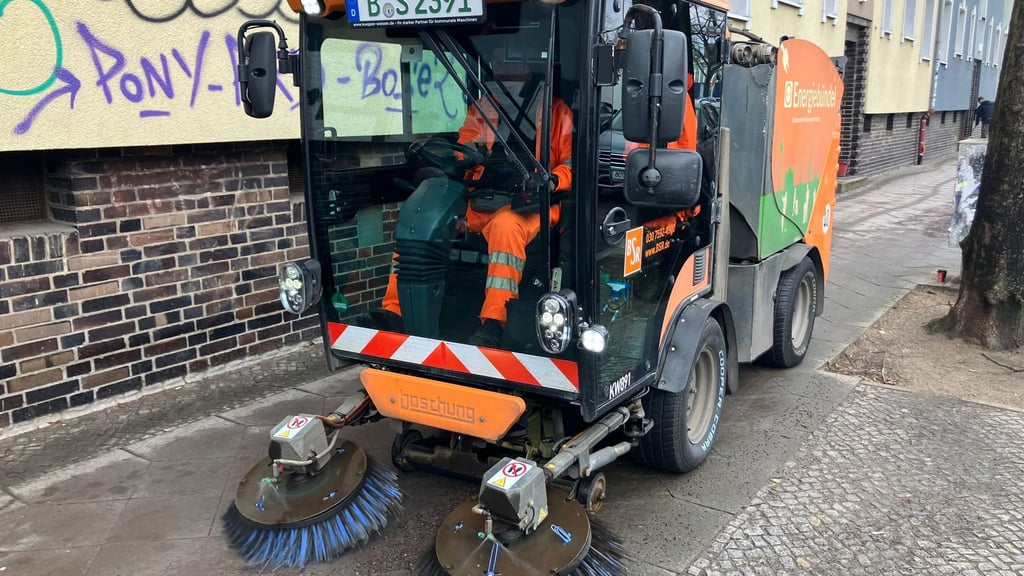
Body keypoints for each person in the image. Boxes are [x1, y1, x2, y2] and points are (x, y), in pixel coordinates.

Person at [376, 52, 574, 347]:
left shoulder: (556, 111)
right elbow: (464, 146)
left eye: (510, 55)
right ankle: (394, 311)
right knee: (419, 222)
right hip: (481, 200)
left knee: (506, 226)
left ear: (529, 63)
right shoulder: (483, 107)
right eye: (499, 56)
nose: (501, 62)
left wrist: (552, 179)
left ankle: (494, 321)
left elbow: (572, 163)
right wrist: (452, 158)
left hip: (533, 203)